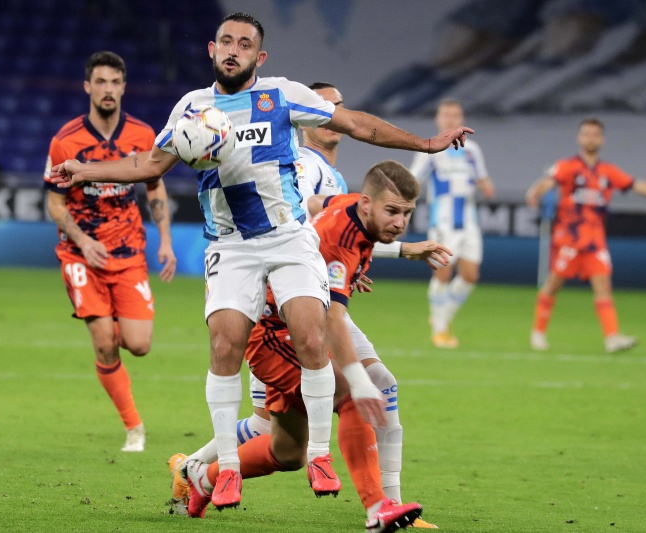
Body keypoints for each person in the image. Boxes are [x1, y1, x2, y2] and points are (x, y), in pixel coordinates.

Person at [50, 12, 473, 508]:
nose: (234, 50)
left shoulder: (283, 94)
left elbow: (357, 124)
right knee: (224, 346)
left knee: (311, 335)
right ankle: (226, 468)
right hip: (230, 245)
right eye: (226, 41)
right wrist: (85, 171)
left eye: (244, 44)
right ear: (212, 49)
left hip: (288, 237)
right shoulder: (192, 108)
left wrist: (425, 143)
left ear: (259, 56)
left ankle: (319, 455)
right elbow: (151, 164)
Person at [182, 161, 450, 532]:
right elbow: (333, 320)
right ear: (368, 204)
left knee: (287, 451)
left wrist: (399, 252)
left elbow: (315, 205)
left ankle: (203, 478)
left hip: (293, 329)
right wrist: (359, 381)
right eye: (392, 211)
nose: (400, 222)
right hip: (274, 332)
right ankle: (378, 507)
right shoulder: (341, 243)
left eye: (407, 213)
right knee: (352, 396)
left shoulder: (350, 205)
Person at [43, 51, 177, 452]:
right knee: (104, 343)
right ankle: (134, 428)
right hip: (81, 254)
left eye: (115, 82)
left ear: (124, 87)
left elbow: (154, 185)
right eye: (100, 82)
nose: (108, 89)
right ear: (87, 86)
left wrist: (165, 239)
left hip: (128, 251)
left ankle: (113, 321)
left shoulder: (143, 135)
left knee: (139, 345)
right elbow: (54, 203)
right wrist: (82, 240)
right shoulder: (65, 141)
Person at [526, 117, 646, 352]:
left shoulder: (608, 171)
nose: (590, 139)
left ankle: (612, 337)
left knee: (603, 285)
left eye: (595, 135)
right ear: (579, 138)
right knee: (553, 284)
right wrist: (534, 192)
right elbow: (548, 182)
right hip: (568, 239)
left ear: (602, 139)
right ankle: (538, 332)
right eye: (586, 134)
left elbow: (634, 185)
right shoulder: (568, 166)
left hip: (594, 241)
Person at [410, 99, 495, 349]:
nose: (450, 119)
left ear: (461, 119)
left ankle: (442, 316)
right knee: (443, 272)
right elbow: (413, 179)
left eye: (454, 115)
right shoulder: (430, 148)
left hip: (469, 221)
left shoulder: (472, 150)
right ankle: (439, 329)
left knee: (470, 276)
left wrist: (486, 185)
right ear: (438, 119)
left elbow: (482, 178)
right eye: (445, 115)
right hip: (443, 221)